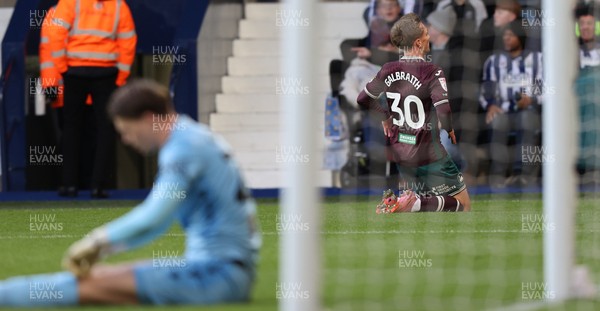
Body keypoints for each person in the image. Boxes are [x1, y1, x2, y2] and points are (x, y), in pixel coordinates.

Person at [0, 79, 261, 306]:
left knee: (83, 287)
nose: (126, 140)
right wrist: (104, 248)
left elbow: (154, 215)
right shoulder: (192, 136)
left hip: (215, 276)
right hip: (225, 273)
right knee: (100, 278)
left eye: (126, 131)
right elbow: (157, 226)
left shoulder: (182, 150)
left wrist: (97, 240)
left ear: (148, 119)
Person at [357, 13, 471, 213]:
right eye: (426, 33)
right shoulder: (432, 71)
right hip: (430, 154)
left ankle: (410, 201)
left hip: (402, 153)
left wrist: (385, 117)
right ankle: (413, 202)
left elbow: (362, 99)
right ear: (418, 42)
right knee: (464, 206)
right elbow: (443, 109)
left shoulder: (387, 69)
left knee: (426, 209)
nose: (429, 37)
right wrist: (450, 129)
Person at [50, 0, 137, 198]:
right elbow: (128, 41)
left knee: (71, 127)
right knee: (106, 128)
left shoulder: (71, 2)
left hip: (75, 71)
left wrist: (62, 67)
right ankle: (98, 186)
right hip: (106, 72)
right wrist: (121, 77)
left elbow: (55, 32)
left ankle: (69, 185)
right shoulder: (118, 5)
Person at [480, 20, 543, 188]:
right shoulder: (493, 62)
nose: (507, 38)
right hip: (503, 110)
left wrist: (531, 98)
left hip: (529, 110)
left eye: (511, 35)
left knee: (527, 119)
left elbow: (546, 89)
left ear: (520, 36)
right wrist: (491, 105)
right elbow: (486, 91)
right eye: (505, 35)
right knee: (497, 121)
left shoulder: (537, 60)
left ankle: (522, 174)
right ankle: (499, 174)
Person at [576, 2, 600, 69]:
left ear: (596, 27)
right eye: (582, 23)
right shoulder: (571, 51)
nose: (585, 27)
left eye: (589, 23)